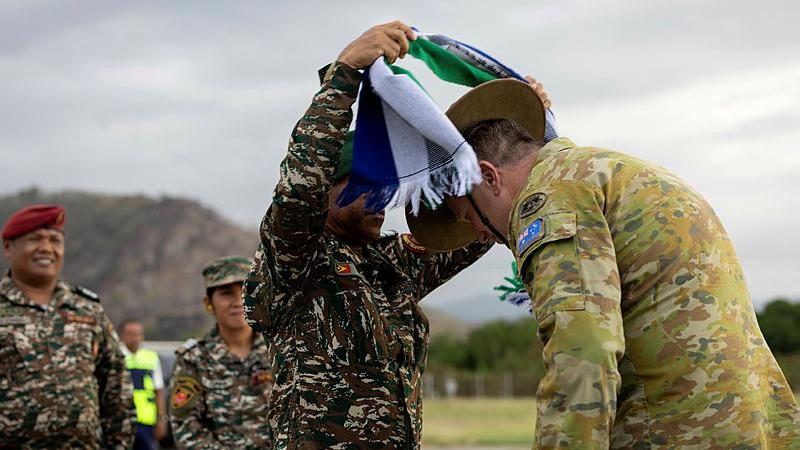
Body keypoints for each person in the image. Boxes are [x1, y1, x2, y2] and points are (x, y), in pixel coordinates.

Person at [408, 79, 800, 448]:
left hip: (672, 431)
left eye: (467, 217)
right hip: (744, 424)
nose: (479, 235)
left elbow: (582, 353)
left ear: (490, 178)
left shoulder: (548, 199)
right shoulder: (611, 171)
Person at [242, 21, 551, 448]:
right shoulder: (297, 259)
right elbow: (298, 189)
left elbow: (478, 224)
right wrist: (346, 73)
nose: (383, 201)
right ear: (328, 192)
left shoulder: (392, 263)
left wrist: (527, 138)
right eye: (368, 187)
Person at [0, 204, 135, 449]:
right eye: (35, 239)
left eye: (55, 240)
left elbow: (116, 388)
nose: (47, 248)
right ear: (8, 247)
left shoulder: (87, 309)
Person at [169, 256, 272, 450]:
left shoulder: (277, 352)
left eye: (244, 290)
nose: (237, 301)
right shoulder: (194, 359)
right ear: (209, 303)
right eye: (226, 293)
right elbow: (185, 428)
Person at [119, 318, 168, 450]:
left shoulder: (151, 357)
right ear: (122, 336)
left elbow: (158, 391)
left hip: (146, 420)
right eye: (130, 334)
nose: (135, 338)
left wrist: (161, 419)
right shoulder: (115, 356)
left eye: (138, 334)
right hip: (121, 421)